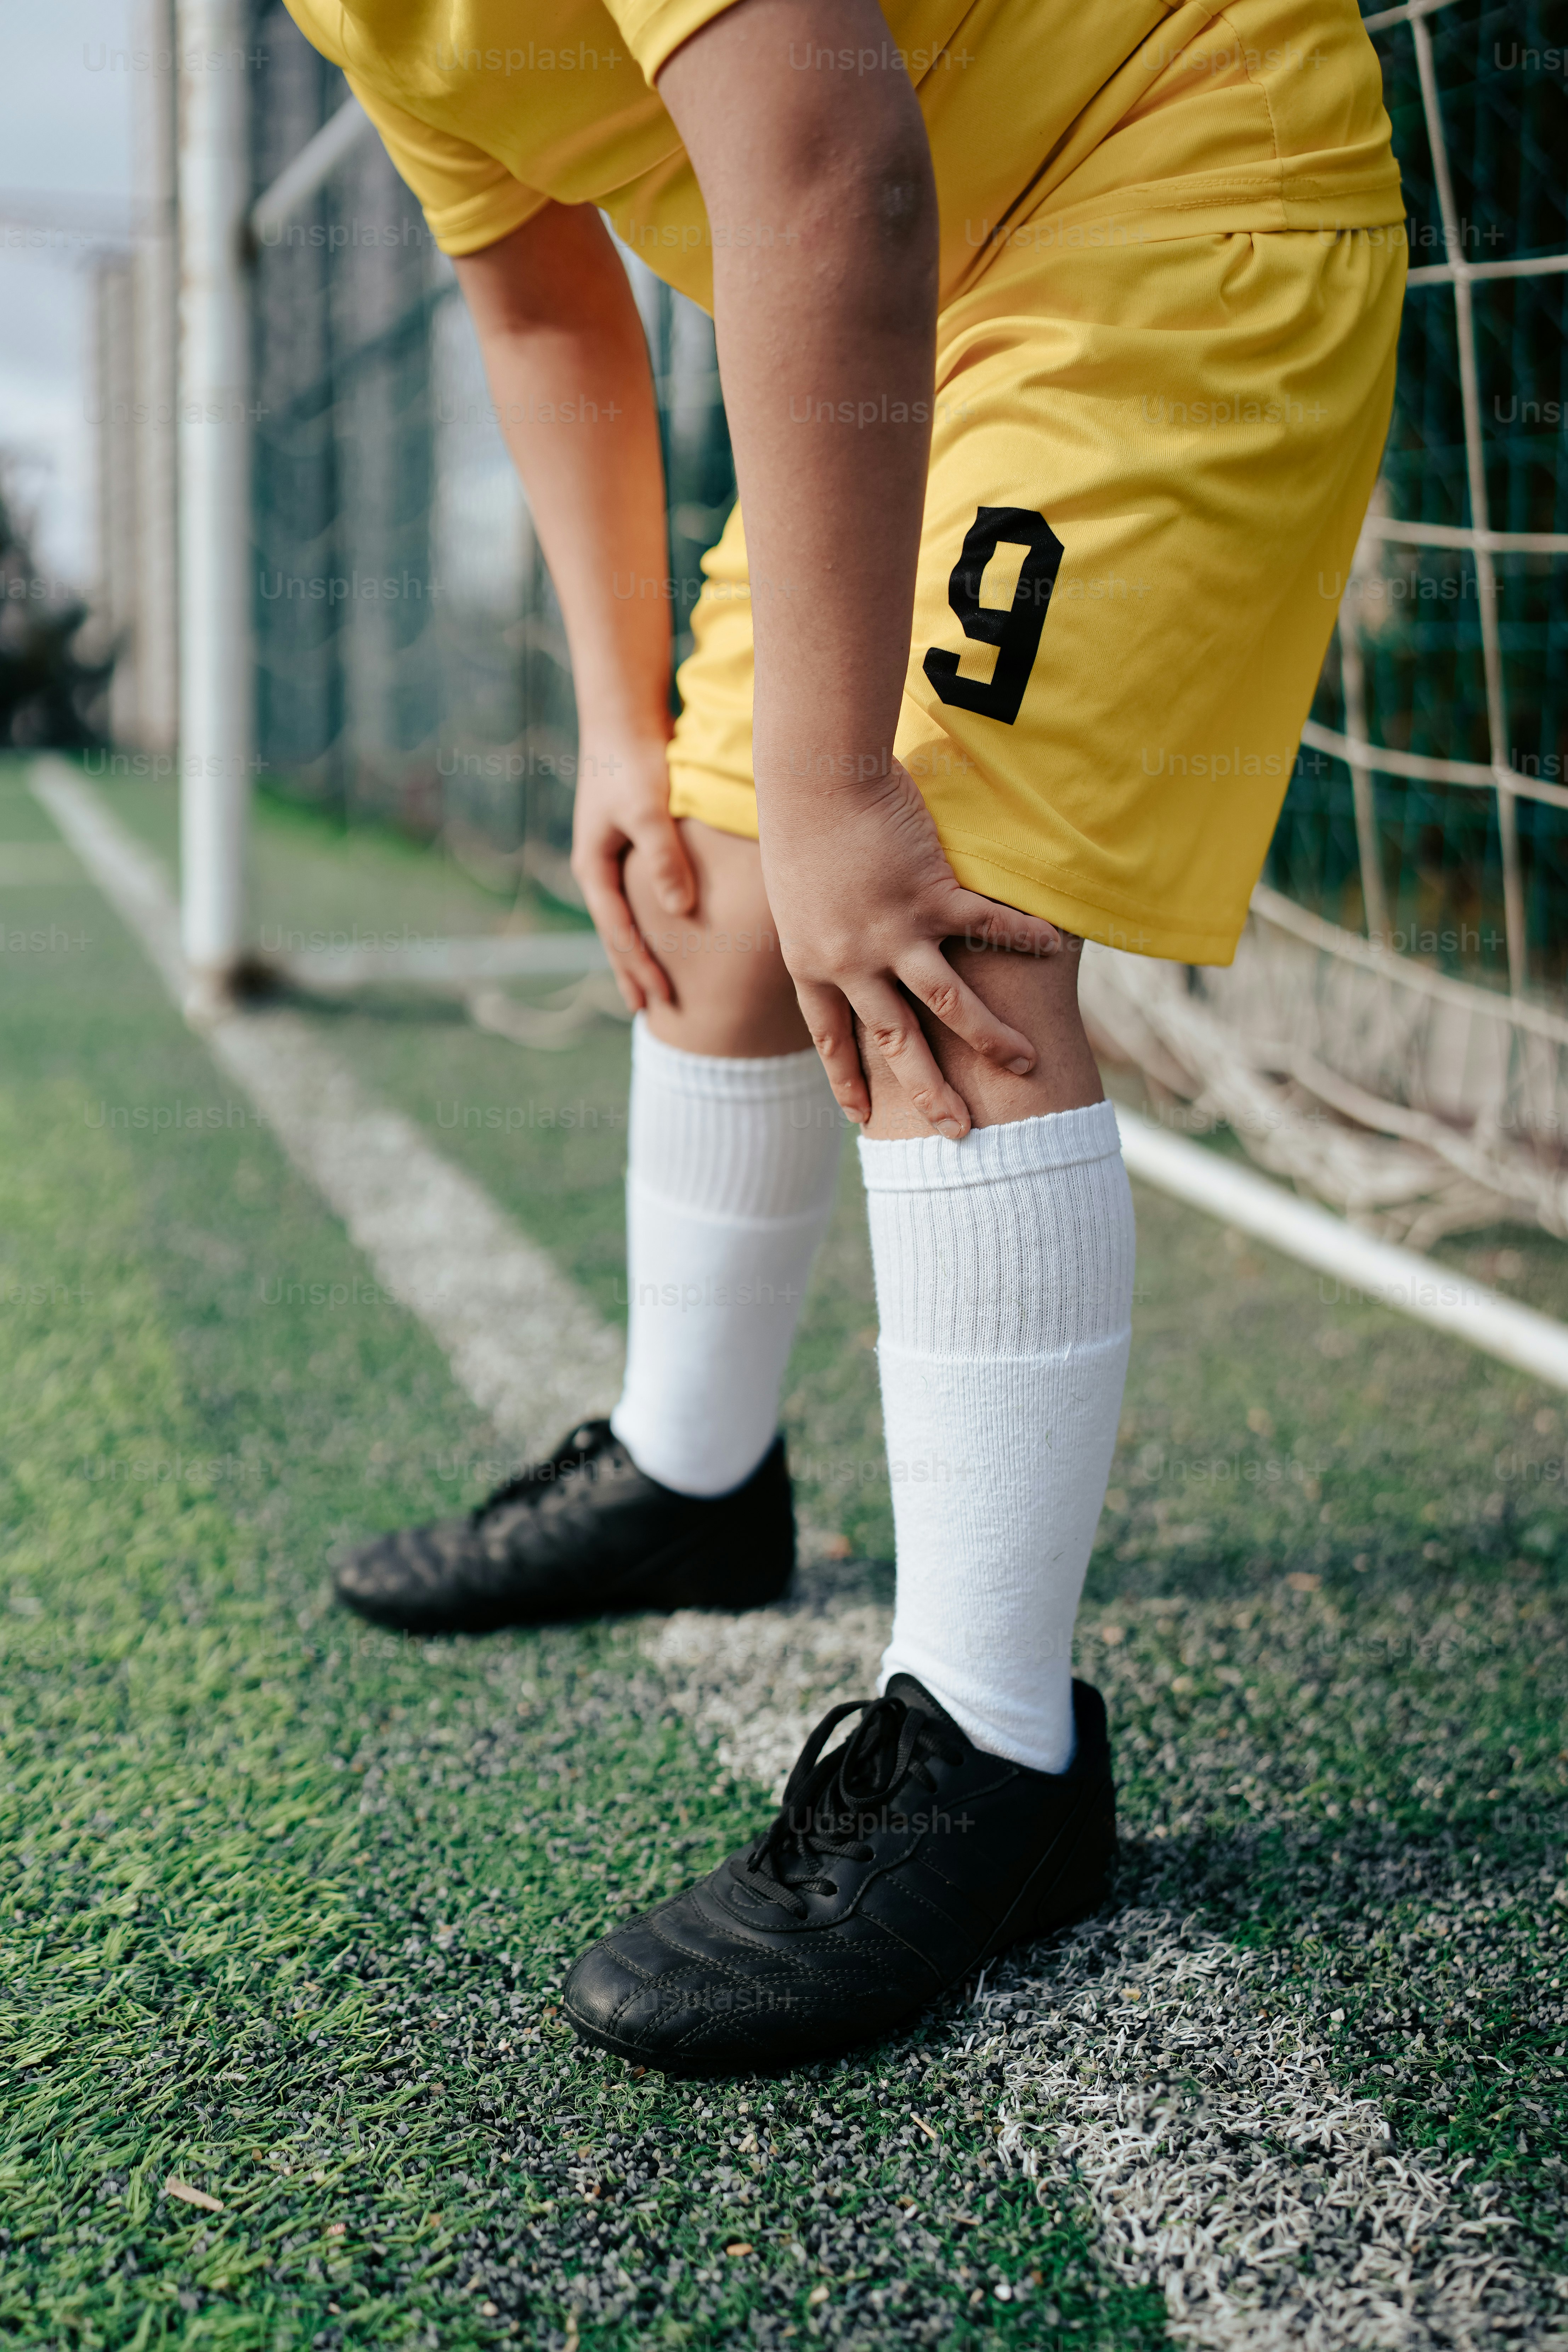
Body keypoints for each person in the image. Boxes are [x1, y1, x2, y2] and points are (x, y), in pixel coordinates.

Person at [293, 0, 1405, 2073]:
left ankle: (999, 1743)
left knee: (932, 913)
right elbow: (533, 278)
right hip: (923, 281)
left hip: (1144, 182)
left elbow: (822, 150)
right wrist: (633, 727)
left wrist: (829, 785)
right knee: (711, 904)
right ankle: (698, 1473)